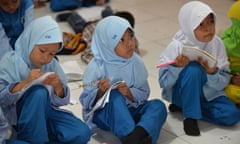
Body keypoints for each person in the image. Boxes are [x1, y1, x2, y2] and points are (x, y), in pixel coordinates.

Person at [0, 16, 92, 144]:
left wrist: (58, 87)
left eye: (52, 54)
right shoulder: (9, 62)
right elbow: (2, 99)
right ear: (30, 42)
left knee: (81, 133)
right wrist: (24, 82)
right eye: (42, 51)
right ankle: (33, 138)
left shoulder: (52, 64)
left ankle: (41, 137)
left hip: (46, 112)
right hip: (17, 118)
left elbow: (63, 100)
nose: (45, 58)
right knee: (38, 92)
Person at [80, 16, 167, 144]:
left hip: (132, 109)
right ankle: (135, 136)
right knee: (115, 96)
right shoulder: (96, 67)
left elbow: (144, 93)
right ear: (107, 43)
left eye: (131, 37)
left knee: (158, 105)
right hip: (106, 115)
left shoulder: (135, 62)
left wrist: (129, 93)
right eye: (121, 40)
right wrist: (100, 92)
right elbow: (86, 102)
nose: (129, 43)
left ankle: (135, 137)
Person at [158, 1, 240, 136]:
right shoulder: (177, 46)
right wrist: (176, 68)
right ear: (189, 26)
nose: (208, 29)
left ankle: (187, 107)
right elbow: (163, 83)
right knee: (193, 70)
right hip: (183, 92)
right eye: (201, 24)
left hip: (209, 95)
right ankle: (190, 117)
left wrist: (212, 73)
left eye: (211, 22)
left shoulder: (217, 43)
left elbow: (223, 82)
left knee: (233, 115)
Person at [221, 1, 240, 106]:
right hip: (232, 84)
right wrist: (232, 79)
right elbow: (218, 70)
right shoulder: (225, 43)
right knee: (229, 92)